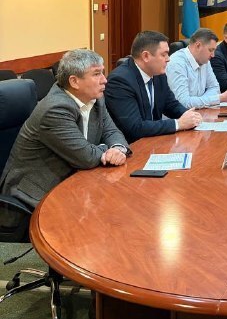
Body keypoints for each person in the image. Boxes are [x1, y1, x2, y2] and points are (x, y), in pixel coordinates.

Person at [0, 49, 130, 210]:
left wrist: (118, 148)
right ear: (74, 82)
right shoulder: (55, 109)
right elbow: (86, 157)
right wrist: (107, 150)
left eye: (102, 73)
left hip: (75, 179)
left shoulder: (96, 98)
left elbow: (111, 131)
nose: (104, 80)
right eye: (97, 74)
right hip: (35, 192)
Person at [104, 30, 203, 142]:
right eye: (163, 54)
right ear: (146, 56)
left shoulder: (158, 73)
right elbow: (134, 127)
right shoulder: (120, 81)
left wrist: (188, 115)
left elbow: (170, 104)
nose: (168, 59)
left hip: (153, 140)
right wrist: (178, 124)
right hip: (132, 146)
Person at [166, 28, 227, 108]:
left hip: (201, 112)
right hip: (180, 115)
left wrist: (201, 101)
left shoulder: (205, 60)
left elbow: (214, 88)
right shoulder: (177, 63)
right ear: (198, 45)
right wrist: (219, 98)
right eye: (210, 50)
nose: (213, 55)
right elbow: (184, 103)